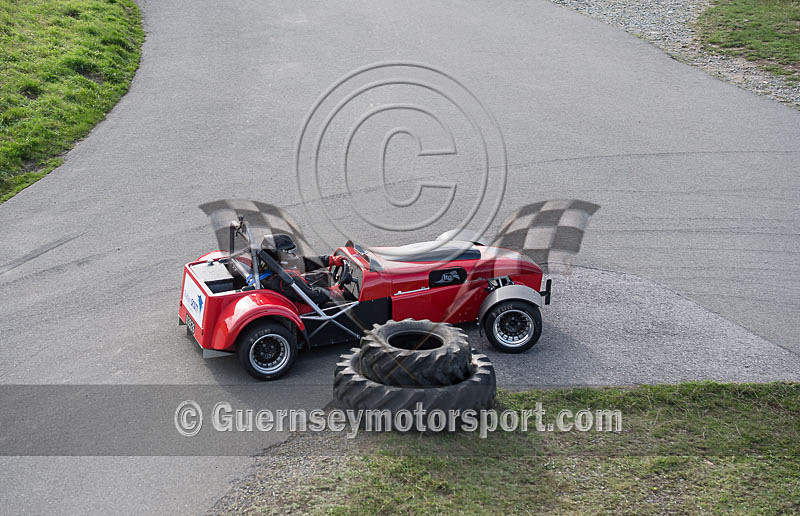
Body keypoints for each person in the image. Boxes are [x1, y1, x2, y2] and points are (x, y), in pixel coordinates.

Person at [252, 233, 346, 305]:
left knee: (325, 275)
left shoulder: (267, 270)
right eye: (290, 252)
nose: (294, 255)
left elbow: (301, 263)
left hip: (295, 297)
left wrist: (330, 260)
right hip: (309, 307)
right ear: (280, 254)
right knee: (347, 301)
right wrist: (332, 292)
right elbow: (313, 297)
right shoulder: (287, 278)